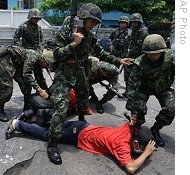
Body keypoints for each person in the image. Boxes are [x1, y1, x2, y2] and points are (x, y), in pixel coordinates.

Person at [48, 3, 133, 165]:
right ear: (83, 18)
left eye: (95, 23)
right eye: (92, 22)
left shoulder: (90, 37)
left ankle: (80, 125)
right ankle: (52, 144)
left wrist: (119, 60)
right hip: (64, 76)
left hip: (81, 74)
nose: (93, 25)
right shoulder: (66, 33)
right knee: (60, 109)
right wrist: (73, 44)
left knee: (82, 103)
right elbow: (56, 55)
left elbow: (100, 53)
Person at [5, 116, 156, 175]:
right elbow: (130, 168)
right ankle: (17, 124)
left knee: (54, 124)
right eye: (143, 147)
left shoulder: (129, 129)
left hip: (84, 125)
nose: (146, 151)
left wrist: (145, 147)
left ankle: (37, 115)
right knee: (47, 134)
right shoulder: (121, 145)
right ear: (136, 142)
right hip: (79, 135)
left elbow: (135, 123)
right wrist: (144, 153)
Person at [126, 34, 175, 147]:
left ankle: (155, 130)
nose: (151, 56)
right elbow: (132, 87)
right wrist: (133, 111)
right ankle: (138, 129)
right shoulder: (139, 63)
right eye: (148, 54)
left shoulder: (170, 57)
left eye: (155, 54)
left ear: (162, 51)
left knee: (172, 108)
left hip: (163, 87)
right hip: (144, 88)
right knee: (138, 108)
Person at [0, 45, 52, 122]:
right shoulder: (34, 56)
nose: (47, 67)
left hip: (18, 66)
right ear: (44, 60)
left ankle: (27, 107)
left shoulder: (39, 63)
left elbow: (40, 79)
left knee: (27, 86)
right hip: (5, 61)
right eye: (47, 64)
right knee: (7, 88)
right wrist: (39, 90)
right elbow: (27, 74)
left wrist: (48, 93)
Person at [13, 8, 48, 91]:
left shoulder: (38, 29)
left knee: (39, 75)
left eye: (37, 19)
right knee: (26, 75)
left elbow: (41, 41)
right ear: (30, 17)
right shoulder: (23, 27)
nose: (36, 20)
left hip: (36, 54)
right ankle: (27, 95)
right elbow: (15, 39)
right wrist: (21, 49)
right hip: (26, 54)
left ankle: (43, 93)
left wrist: (40, 50)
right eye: (35, 18)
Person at [122, 13, 149, 97]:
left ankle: (135, 93)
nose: (133, 23)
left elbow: (139, 46)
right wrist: (128, 52)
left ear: (139, 22)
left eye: (135, 22)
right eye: (132, 22)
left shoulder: (143, 31)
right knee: (127, 74)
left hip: (140, 57)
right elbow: (131, 43)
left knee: (136, 76)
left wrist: (129, 54)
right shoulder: (134, 30)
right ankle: (128, 91)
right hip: (132, 55)